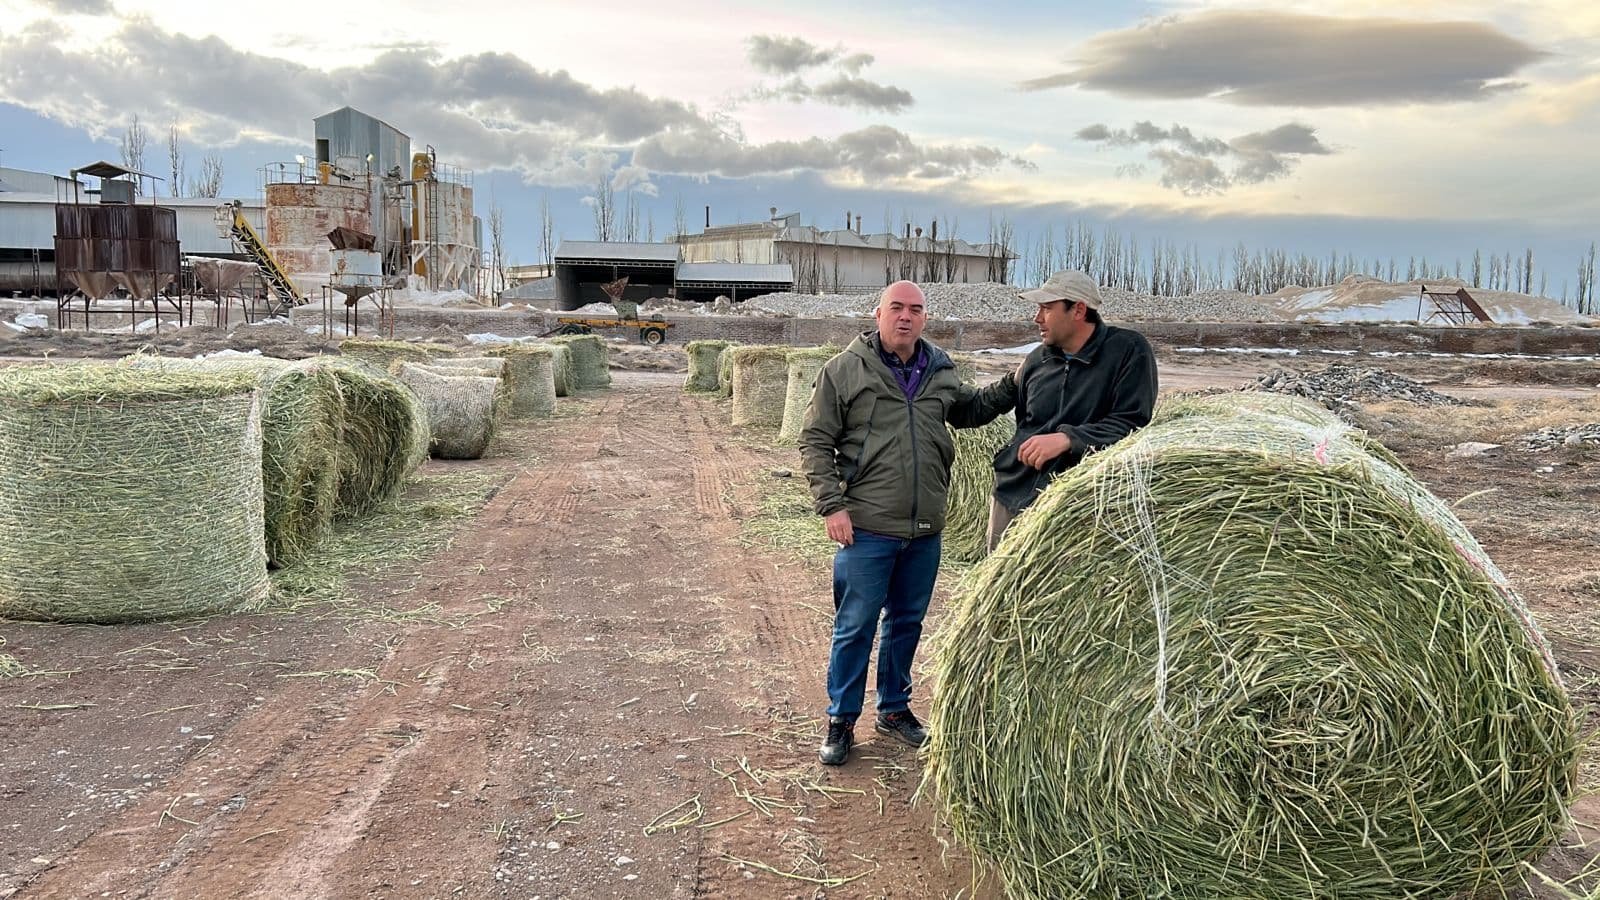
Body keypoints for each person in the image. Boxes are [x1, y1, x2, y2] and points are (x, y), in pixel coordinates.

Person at [798, 280, 998, 766]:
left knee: (906, 622)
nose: (905, 317)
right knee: (855, 627)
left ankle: (893, 709)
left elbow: (969, 411)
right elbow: (815, 441)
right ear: (878, 314)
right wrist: (832, 506)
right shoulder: (844, 370)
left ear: (925, 318)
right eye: (896, 308)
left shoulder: (940, 370)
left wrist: (1015, 385)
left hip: (925, 527)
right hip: (867, 525)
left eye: (915, 309)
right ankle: (841, 720)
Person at [982, 269, 1159, 551]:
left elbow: (1131, 423)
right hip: (1013, 495)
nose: (1037, 318)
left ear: (1078, 310)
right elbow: (994, 406)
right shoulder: (1036, 359)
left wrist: (1068, 439)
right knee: (1000, 577)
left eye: (1047, 308)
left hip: (1077, 508)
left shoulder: (1128, 351)